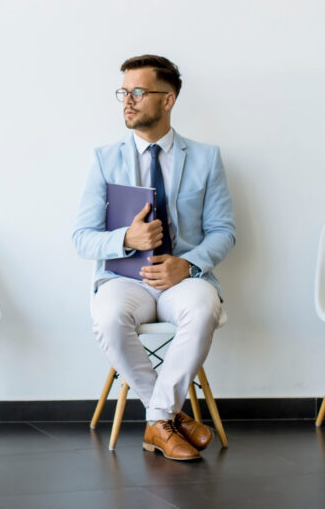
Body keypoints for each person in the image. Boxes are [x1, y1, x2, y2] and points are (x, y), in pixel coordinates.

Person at [72, 55, 236, 461]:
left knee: (203, 309)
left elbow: (224, 231)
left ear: (168, 99)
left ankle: (157, 421)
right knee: (107, 317)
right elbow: (81, 238)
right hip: (125, 279)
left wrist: (190, 264)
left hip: (182, 277)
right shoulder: (103, 159)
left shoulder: (206, 157)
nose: (127, 101)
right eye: (124, 92)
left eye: (138, 92)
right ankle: (166, 417)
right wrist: (126, 238)